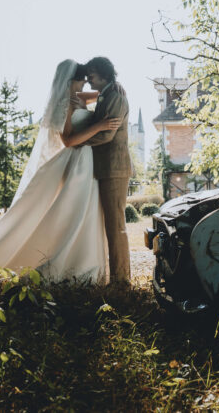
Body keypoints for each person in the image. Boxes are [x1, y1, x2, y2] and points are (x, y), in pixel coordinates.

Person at [0, 59, 123, 283]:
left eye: (87, 79)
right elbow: (68, 140)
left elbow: (101, 96)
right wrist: (100, 126)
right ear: (71, 81)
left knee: (85, 214)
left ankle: (87, 265)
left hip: (88, 164)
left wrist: (113, 87)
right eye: (82, 79)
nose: (86, 82)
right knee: (75, 212)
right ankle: (72, 266)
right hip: (78, 163)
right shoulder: (66, 103)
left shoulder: (79, 99)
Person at [83, 56, 134, 285]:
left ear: (103, 73)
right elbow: (74, 98)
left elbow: (106, 134)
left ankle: (121, 282)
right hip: (106, 168)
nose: (87, 81)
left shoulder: (115, 96)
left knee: (116, 228)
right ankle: (117, 278)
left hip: (115, 168)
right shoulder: (107, 93)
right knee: (111, 226)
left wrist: (77, 143)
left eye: (91, 76)